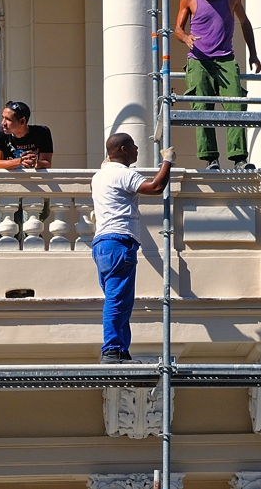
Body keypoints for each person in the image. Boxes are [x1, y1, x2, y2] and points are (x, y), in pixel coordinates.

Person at [92, 133, 174, 363]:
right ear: (124, 149)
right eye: (134, 146)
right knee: (118, 299)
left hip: (103, 245)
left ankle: (120, 350)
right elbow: (156, 187)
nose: (137, 149)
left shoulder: (100, 176)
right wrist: (168, 161)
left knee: (119, 299)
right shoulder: (122, 173)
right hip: (118, 243)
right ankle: (112, 351)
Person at [174, 0, 261, 170]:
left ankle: (239, 158)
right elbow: (177, 29)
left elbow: (244, 22)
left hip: (225, 59)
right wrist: (186, 38)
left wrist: (253, 53)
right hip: (199, 61)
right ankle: (211, 159)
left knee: (236, 105)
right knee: (202, 108)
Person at [0, 100, 54, 169]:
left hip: (34, 178)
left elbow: (47, 163)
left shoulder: (42, 132)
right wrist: (20, 161)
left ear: (22, 121)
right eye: (3, 118)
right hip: (9, 178)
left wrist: (36, 163)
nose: (3, 123)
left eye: (8, 119)